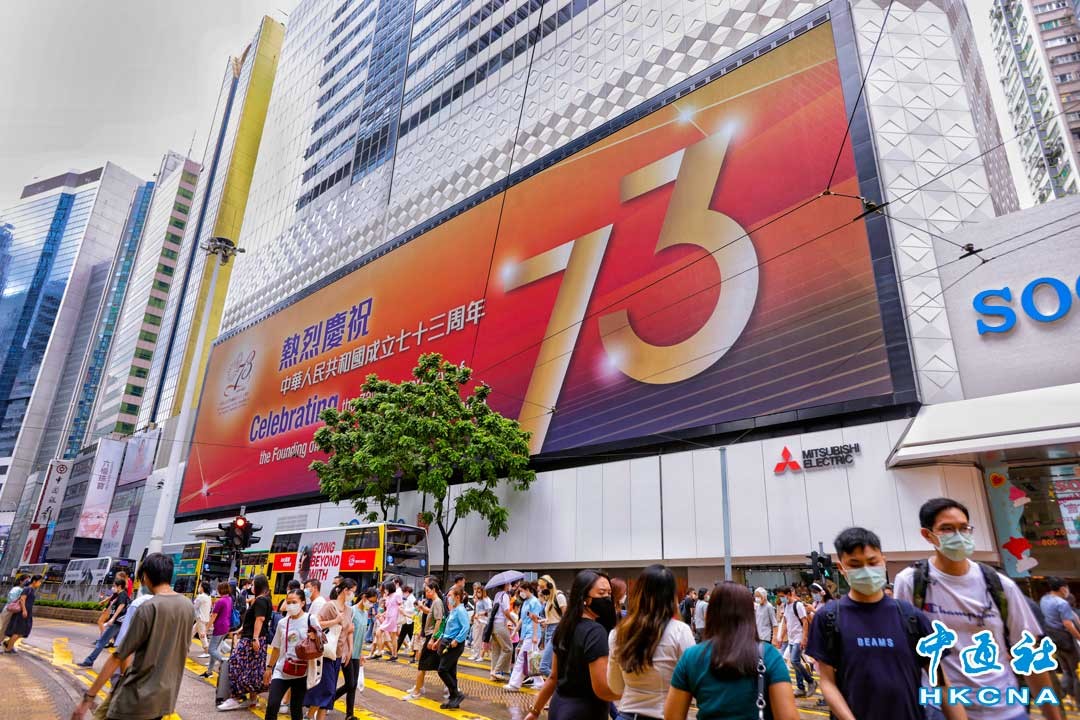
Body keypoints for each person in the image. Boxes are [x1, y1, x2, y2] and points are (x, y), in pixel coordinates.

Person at [894, 497, 1062, 720]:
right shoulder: (911, 582)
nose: (958, 535)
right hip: (942, 710)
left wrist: (1053, 715)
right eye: (947, 529)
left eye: (964, 528)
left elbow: (1028, 654)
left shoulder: (1000, 585)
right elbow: (904, 651)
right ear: (927, 535)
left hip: (1006, 710)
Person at [807, 527, 966, 720]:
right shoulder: (829, 618)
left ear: (883, 561)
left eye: (872, 562)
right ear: (842, 569)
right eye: (855, 565)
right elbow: (827, 681)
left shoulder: (911, 617)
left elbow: (942, 683)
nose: (866, 570)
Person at [70, 554, 194, 720]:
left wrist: (88, 698)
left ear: (145, 576)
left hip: (135, 700)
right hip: (164, 699)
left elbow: (119, 655)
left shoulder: (148, 607)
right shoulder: (187, 606)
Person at [664, 582, 798, 720]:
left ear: (710, 614)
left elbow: (672, 716)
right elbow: (788, 716)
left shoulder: (691, 657)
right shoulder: (769, 656)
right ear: (749, 614)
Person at [525, 569, 620, 720]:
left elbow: (553, 677)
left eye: (609, 593)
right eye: (601, 593)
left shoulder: (564, 627)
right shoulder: (595, 632)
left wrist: (535, 711)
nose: (607, 598)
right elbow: (601, 689)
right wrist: (633, 693)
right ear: (585, 598)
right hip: (584, 712)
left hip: (558, 707)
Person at [607, 564, 695, 720]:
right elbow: (693, 681)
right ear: (672, 596)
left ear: (638, 593)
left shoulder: (617, 633)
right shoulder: (680, 631)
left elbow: (616, 687)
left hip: (627, 714)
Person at [262, 589, 322, 720]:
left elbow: (322, 641)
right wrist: (269, 668)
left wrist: (315, 637)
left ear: (302, 603)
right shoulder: (282, 623)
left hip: (302, 671)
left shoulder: (310, 619)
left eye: (294, 602)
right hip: (282, 669)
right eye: (288, 602)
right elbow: (276, 647)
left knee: (296, 708)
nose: (290, 605)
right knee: (272, 705)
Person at [304, 579, 355, 720]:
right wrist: (335, 621)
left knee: (329, 693)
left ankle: (312, 717)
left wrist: (349, 650)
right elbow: (316, 623)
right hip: (326, 654)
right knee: (327, 690)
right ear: (345, 590)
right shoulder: (330, 606)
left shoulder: (349, 610)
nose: (353, 595)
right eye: (352, 591)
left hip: (337, 655)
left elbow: (348, 631)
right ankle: (309, 715)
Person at [403, 578, 446, 701]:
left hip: (432, 636)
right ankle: (420, 687)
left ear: (434, 590)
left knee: (423, 665)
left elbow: (439, 620)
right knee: (435, 665)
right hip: (430, 636)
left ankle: (417, 691)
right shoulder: (435, 602)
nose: (426, 593)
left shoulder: (437, 602)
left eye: (428, 590)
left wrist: (433, 638)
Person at [336, 587, 375, 719]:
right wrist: (348, 650)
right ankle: (329, 700)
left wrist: (361, 653)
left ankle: (349, 715)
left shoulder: (365, 613)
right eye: (370, 601)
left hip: (356, 654)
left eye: (373, 602)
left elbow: (361, 635)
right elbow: (344, 630)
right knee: (350, 684)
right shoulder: (351, 611)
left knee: (352, 686)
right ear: (364, 598)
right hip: (347, 653)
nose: (371, 604)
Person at [1041, 577, 1080, 706]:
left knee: (1066, 670)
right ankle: (1078, 701)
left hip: (1054, 640)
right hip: (1066, 640)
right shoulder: (1062, 603)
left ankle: (1064, 696)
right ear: (1063, 588)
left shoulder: (1044, 600)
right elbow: (1068, 624)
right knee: (1076, 671)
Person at [79, 577, 130, 667]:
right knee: (120, 645)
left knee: (102, 642)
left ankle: (89, 661)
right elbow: (112, 600)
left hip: (116, 623)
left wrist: (113, 618)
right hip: (119, 623)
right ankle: (124, 666)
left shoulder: (122, 595)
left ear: (119, 586)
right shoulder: (119, 594)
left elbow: (121, 605)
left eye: (114, 586)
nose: (113, 588)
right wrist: (106, 606)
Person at [507, 580, 545, 690]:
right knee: (531, 659)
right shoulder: (526, 602)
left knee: (522, 658)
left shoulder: (535, 602)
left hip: (532, 634)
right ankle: (539, 683)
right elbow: (522, 619)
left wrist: (534, 635)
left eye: (521, 591)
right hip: (527, 634)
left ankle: (514, 684)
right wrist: (514, 632)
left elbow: (535, 619)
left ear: (527, 590)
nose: (520, 593)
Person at [439, 585, 472, 709]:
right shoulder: (454, 609)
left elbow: (466, 627)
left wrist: (457, 640)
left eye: (450, 596)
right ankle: (453, 699)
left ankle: (457, 694)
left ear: (457, 597)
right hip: (448, 641)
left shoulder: (461, 610)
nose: (448, 598)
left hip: (454, 644)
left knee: (442, 670)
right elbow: (448, 627)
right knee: (451, 672)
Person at [778, 586, 815, 698]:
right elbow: (785, 623)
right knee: (796, 663)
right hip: (791, 638)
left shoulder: (798, 605)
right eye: (779, 596)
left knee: (794, 661)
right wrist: (781, 637)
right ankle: (800, 688)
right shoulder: (785, 606)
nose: (781, 598)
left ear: (789, 594)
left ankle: (811, 681)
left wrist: (804, 638)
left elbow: (805, 622)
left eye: (782, 596)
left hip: (799, 637)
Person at [203, 581, 233, 679]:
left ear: (220, 590)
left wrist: (206, 629)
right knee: (214, 649)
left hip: (219, 627)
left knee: (211, 650)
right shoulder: (229, 599)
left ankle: (224, 663)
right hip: (226, 627)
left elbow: (213, 616)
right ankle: (209, 671)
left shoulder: (220, 601)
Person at [4, 574, 41, 653]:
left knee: (23, 632)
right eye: (39, 582)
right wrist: (24, 610)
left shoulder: (32, 590)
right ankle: (8, 649)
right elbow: (22, 599)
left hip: (27, 613)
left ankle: (8, 643)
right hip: (22, 613)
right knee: (18, 631)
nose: (40, 583)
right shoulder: (28, 589)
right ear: (34, 581)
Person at [490, 579, 515, 681]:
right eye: (509, 584)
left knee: (496, 651)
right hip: (500, 625)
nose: (510, 585)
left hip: (493, 626)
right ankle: (496, 671)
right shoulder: (505, 595)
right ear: (506, 585)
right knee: (508, 648)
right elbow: (506, 611)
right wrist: (514, 621)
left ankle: (493, 675)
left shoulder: (497, 595)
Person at [373, 580, 400, 660]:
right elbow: (388, 609)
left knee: (388, 635)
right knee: (392, 636)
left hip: (393, 618)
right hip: (388, 617)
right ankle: (393, 654)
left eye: (386, 588)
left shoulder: (396, 595)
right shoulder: (388, 597)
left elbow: (400, 606)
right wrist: (382, 614)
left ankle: (382, 652)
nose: (385, 590)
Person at [0, 574, 26, 645]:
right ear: (21, 581)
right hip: (10, 610)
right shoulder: (17, 589)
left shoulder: (20, 589)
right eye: (26, 580)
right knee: (4, 627)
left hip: (11, 610)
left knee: (6, 627)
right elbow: (11, 600)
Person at [470, 584, 492, 662]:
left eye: (479, 592)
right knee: (475, 638)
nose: (477, 593)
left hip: (482, 621)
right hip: (478, 620)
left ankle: (478, 655)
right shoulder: (479, 599)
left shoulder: (486, 600)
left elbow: (489, 611)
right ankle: (475, 654)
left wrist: (479, 614)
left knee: (479, 639)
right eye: (477, 591)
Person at [194, 581, 212, 658]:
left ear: (202, 588)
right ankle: (185, 646)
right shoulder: (208, 597)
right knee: (192, 631)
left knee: (202, 635)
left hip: (200, 618)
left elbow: (195, 607)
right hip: (205, 618)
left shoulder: (201, 597)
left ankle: (206, 651)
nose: (199, 587)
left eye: (199, 586)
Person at [397, 585, 416, 656]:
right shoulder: (408, 598)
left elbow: (414, 609)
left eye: (403, 592)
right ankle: (395, 651)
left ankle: (415, 652)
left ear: (407, 592)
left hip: (410, 620)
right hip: (407, 620)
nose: (403, 594)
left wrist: (404, 610)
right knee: (402, 636)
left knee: (409, 637)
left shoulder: (412, 598)